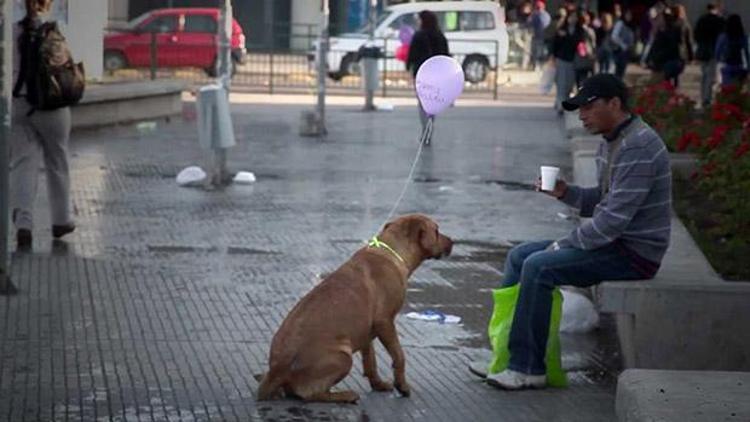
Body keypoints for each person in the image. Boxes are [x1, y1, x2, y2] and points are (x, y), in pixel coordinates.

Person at [478, 74, 672, 390]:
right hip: (616, 244)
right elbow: (603, 199)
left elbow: (612, 221)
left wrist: (561, 245)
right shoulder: (612, 142)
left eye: (587, 107)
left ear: (615, 104)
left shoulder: (638, 146)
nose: (580, 115)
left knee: (539, 266)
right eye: (578, 108)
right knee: (519, 256)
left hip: (634, 254)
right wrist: (565, 193)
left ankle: (528, 368)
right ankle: (505, 357)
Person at [11, 0, 76, 251]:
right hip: (52, 105)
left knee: (22, 164)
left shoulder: (11, 28)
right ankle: (60, 220)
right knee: (57, 160)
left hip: (19, 103)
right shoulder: (52, 29)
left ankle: (23, 226)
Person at [406, 10, 449, 146]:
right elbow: (445, 54)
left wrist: (408, 67)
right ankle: (429, 128)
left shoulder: (419, 35)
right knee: (432, 103)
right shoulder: (440, 35)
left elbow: (412, 54)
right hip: (436, 74)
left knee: (422, 104)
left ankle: (425, 130)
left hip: (421, 73)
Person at [646, 6, 694, 87]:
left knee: (666, 78)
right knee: (674, 77)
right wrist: (690, 57)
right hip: (679, 56)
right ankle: (674, 91)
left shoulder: (668, 24)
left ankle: (670, 92)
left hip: (667, 56)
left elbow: (658, 42)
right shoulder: (684, 24)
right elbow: (688, 42)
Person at [694, 3, 725, 106]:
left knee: (704, 75)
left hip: (703, 51)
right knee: (711, 76)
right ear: (715, 9)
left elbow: (696, 35)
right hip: (714, 51)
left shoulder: (701, 20)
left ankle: (703, 96)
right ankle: (708, 98)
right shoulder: (719, 21)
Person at [551, 12, 581, 115]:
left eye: (575, 17)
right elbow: (555, 44)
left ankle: (565, 103)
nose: (573, 19)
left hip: (573, 60)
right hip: (562, 59)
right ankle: (560, 105)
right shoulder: (562, 29)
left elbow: (578, 42)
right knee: (561, 83)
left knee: (569, 84)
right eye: (571, 17)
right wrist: (554, 57)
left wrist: (567, 36)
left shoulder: (579, 30)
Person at [715, 14, 750, 88]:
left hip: (726, 64)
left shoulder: (723, 36)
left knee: (727, 88)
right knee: (738, 88)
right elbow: (747, 53)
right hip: (739, 65)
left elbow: (717, 51)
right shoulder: (743, 37)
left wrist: (718, 60)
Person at [573, 11, 597, 87]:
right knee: (585, 79)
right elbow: (593, 45)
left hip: (580, 59)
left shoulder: (575, 30)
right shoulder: (589, 31)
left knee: (579, 79)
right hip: (586, 58)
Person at [611, 9, 636, 79]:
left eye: (630, 15)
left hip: (625, 53)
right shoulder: (620, 23)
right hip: (619, 52)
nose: (629, 16)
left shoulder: (631, 25)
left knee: (622, 72)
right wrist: (623, 45)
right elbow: (614, 36)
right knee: (617, 72)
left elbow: (631, 38)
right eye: (628, 14)